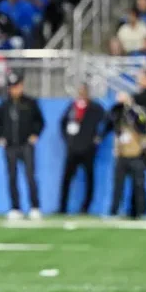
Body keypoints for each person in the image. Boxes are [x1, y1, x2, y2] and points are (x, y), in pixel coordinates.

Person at [0, 71, 44, 220]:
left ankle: (35, 206)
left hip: (26, 145)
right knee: (12, 177)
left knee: (30, 176)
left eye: (16, 86)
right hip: (10, 146)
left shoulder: (30, 103)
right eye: (11, 87)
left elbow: (40, 121)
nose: (14, 90)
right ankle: (15, 207)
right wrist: (1, 136)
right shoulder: (4, 105)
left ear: (21, 86)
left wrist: (34, 135)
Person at [102, 92, 146, 218]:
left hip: (136, 153)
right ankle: (114, 211)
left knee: (139, 185)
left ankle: (141, 212)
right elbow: (109, 120)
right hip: (121, 154)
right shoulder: (118, 113)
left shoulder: (139, 112)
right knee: (118, 186)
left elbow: (143, 127)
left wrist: (129, 107)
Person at [58, 83, 104, 214]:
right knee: (66, 179)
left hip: (88, 149)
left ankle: (86, 207)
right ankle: (62, 207)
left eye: (84, 92)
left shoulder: (95, 108)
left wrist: (99, 137)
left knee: (89, 179)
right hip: (73, 149)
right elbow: (62, 123)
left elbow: (108, 122)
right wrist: (67, 140)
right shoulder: (72, 107)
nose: (82, 94)